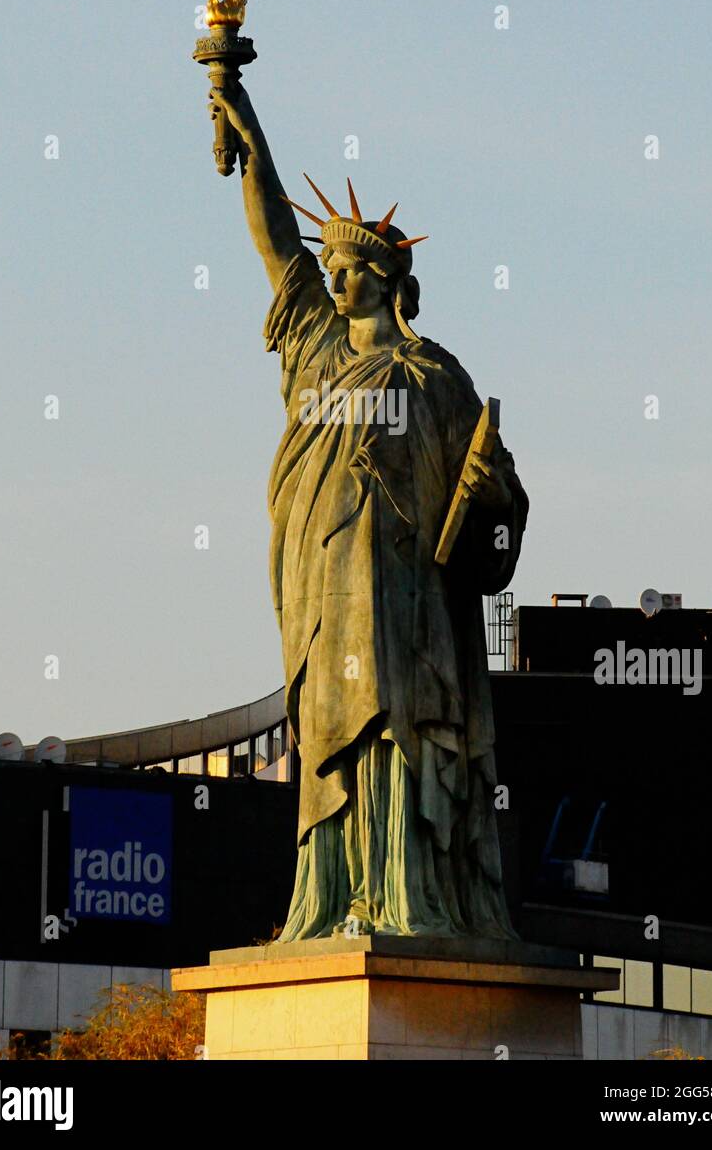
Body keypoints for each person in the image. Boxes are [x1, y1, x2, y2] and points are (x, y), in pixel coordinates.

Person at [211, 84, 529, 939]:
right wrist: (251, 135)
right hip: (320, 590)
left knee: (394, 731)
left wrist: (490, 496)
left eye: (351, 269)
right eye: (335, 270)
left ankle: (405, 896)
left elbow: (497, 513)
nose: (336, 279)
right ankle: (335, 898)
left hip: (407, 603)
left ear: (388, 281)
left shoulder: (436, 378)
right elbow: (277, 245)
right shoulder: (314, 343)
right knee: (330, 739)